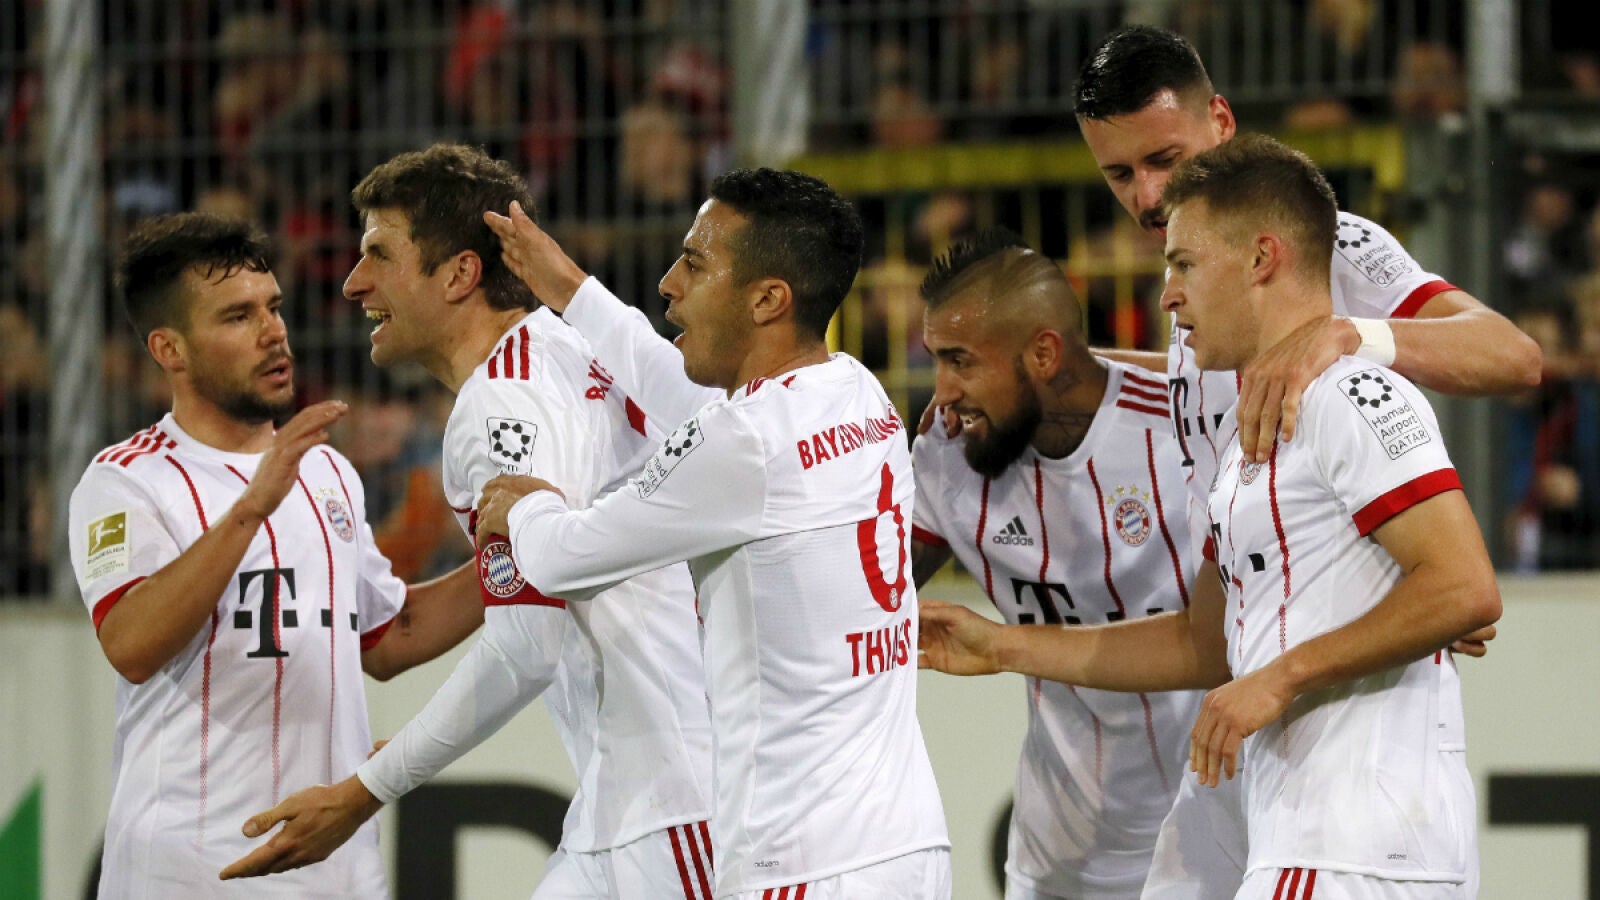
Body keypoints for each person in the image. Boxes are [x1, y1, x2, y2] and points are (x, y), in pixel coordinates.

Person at [922, 133, 1502, 899]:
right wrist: (1002, 647)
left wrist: (1281, 677)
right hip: (1278, 826)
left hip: (1359, 844)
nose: (1167, 296)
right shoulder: (1234, 439)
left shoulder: (1352, 394)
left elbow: (1465, 588)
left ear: (1261, 259)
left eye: (1184, 265)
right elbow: (1202, 642)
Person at [1061, 25, 1533, 898]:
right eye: (1119, 175)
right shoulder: (1198, 295)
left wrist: (1352, 333)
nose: (1148, 195)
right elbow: (1195, 394)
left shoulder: (1327, 246)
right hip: (1250, 676)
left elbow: (1511, 355)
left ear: (1221, 120)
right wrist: (1058, 376)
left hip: (1331, 734)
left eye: (1164, 159)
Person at [219, 144, 716, 898]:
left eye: (379, 254)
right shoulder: (570, 346)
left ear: (458, 274)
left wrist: (365, 790)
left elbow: (527, 647)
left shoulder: (498, 405)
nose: (353, 283)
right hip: (637, 796)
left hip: (669, 806)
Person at [476, 167, 952, 899]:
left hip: (802, 865)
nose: (668, 284)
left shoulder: (744, 443)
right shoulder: (857, 391)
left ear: (768, 299)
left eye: (695, 264)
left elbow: (564, 558)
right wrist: (572, 290)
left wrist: (525, 506)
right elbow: (681, 393)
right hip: (907, 845)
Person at [67, 212, 485, 898]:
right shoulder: (125, 481)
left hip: (340, 875)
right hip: (192, 877)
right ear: (170, 349)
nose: (272, 332)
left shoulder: (326, 471)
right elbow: (131, 644)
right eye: (238, 316)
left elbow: (389, 636)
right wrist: (250, 508)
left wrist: (522, 558)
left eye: (274, 307)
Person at [911, 227, 1199, 899]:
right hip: (1057, 865)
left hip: (1215, 848)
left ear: (1043, 353)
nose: (942, 391)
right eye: (937, 360)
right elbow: (864, 591)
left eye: (960, 361)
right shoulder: (949, 458)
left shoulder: (1186, 431)